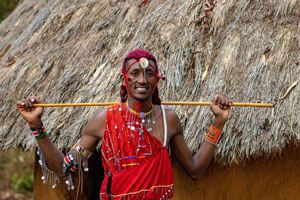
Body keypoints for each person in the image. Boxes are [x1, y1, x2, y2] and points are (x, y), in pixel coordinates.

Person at [17, 49, 232, 199]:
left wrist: (218, 123)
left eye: (149, 74)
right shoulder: (104, 120)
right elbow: (65, 168)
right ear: (124, 79)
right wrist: (37, 126)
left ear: (156, 80)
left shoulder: (169, 119)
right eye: (135, 74)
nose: (142, 80)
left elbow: (194, 170)